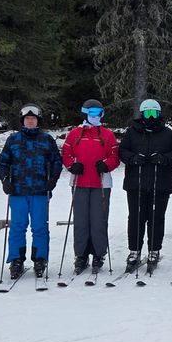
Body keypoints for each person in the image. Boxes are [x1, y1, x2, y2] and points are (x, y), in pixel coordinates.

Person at [119, 99, 172, 270]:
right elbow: (122, 151)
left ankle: (154, 250)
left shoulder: (168, 133)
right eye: (147, 113)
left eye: (153, 113)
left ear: (159, 114)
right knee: (136, 218)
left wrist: (164, 159)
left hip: (160, 184)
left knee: (156, 218)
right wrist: (133, 159)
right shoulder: (132, 133)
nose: (150, 117)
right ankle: (134, 250)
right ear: (141, 115)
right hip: (136, 183)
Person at [0, 104, 63, 279]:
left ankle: (40, 259)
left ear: (38, 121)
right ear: (23, 121)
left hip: (40, 191)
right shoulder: (13, 139)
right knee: (18, 227)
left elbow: (57, 161)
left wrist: (53, 179)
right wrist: (5, 180)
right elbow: (3, 162)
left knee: (40, 227)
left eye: (33, 119)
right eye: (27, 119)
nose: (30, 121)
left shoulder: (47, 139)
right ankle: (16, 260)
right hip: (18, 191)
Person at [61, 99, 120, 275]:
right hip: (79, 182)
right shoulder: (74, 134)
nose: (94, 117)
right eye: (91, 113)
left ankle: (98, 254)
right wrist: (72, 165)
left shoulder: (108, 134)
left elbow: (114, 156)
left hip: (101, 183)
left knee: (98, 220)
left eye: (98, 113)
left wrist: (107, 165)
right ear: (85, 114)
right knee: (80, 221)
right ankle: (81, 255)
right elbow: (66, 153)